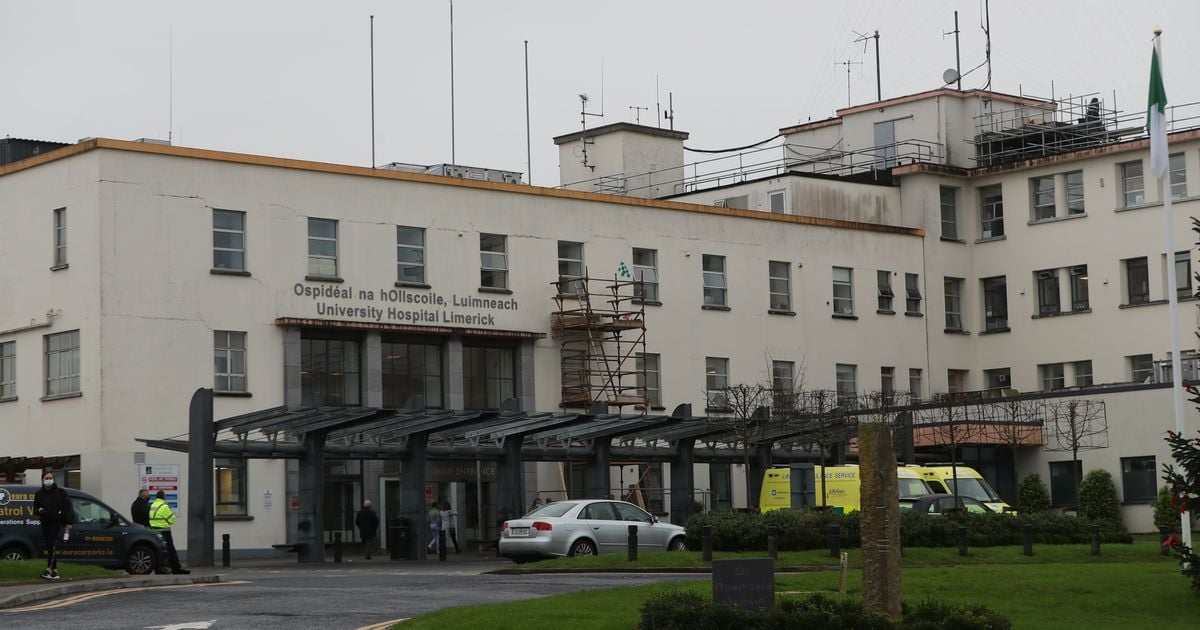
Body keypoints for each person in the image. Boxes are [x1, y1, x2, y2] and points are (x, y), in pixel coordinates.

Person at [33, 470, 73, 580]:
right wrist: (39, 510)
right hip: (45, 522)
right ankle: (55, 571)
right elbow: (35, 510)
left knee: (52, 544)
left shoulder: (60, 492)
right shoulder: (39, 494)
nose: (48, 480)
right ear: (42, 480)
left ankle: (49, 569)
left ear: (54, 479)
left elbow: (68, 508)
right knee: (49, 546)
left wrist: (68, 522)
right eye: (46, 478)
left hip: (56, 522)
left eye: (50, 478)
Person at [148, 490, 190, 574]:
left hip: (154, 531)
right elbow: (171, 518)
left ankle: (160, 568)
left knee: (160, 550)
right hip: (164, 530)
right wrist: (167, 522)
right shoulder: (164, 506)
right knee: (171, 550)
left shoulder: (152, 505)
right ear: (163, 497)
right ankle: (176, 568)